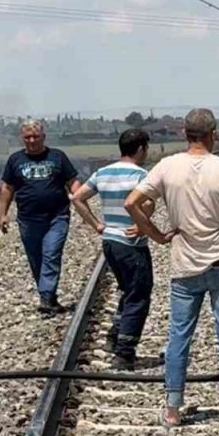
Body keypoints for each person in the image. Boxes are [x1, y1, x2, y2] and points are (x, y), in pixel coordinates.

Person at [125, 109, 219, 427]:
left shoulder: (167, 166)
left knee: (179, 336)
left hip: (184, 264)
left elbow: (131, 203)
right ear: (213, 134)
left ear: (184, 133)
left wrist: (154, 234)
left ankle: (173, 409)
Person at [70, 129, 155, 370]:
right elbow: (148, 203)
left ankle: (114, 337)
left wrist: (96, 223)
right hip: (131, 245)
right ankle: (124, 353)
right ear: (140, 149)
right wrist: (142, 226)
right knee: (138, 295)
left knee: (127, 291)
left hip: (110, 242)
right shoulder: (141, 175)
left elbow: (77, 198)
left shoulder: (102, 173)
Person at [0, 120, 82, 314]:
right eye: (28, 137)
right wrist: (2, 215)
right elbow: (7, 188)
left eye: (36, 136)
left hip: (57, 216)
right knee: (36, 259)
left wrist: (81, 206)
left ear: (44, 137)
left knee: (51, 253)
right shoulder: (15, 160)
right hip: (28, 219)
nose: (32, 140)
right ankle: (49, 298)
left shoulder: (58, 157)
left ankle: (45, 295)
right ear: (22, 138)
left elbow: (73, 183)